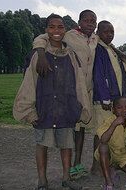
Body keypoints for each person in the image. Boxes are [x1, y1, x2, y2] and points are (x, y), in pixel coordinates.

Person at [13, 14, 91, 190]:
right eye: (52, 27)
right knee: (42, 145)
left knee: (66, 145)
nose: (56, 31)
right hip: (45, 107)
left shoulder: (70, 55)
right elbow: (29, 83)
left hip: (65, 107)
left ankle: (66, 178)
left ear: (65, 30)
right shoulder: (38, 55)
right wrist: (29, 111)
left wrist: (81, 107)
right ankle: (42, 182)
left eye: (60, 27)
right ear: (46, 30)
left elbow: (79, 83)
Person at [33, 10, 98, 178]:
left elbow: (108, 45)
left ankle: (74, 166)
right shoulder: (68, 35)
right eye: (86, 20)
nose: (90, 23)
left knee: (78, 129)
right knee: (60, 132)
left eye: (93, 21)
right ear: (79, 22)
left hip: (85, 89)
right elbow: (43, 38)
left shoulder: (95, 39)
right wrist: (40, 53)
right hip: (65, 88)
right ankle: (45, 180)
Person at [91, 20, 126, 175]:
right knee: (100, 132)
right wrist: (105, 98)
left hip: (114, 98)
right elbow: (98, 75)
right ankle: (96, 166)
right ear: (98, 32)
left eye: (112, 31)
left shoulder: (111, 49)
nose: (109, 34)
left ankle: (106, 162)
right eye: (106, 31)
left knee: (111, 132)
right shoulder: (98, 49)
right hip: (104, 101)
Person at [94, 97, 126, 190]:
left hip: (121, 153)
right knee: (103, 147)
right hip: (107, 153)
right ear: (113, 110)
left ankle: (113, 168)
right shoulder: (108, 121)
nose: (124, 110)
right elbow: (103, 140)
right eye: (119, 108)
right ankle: (109, 183)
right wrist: (114, 124)